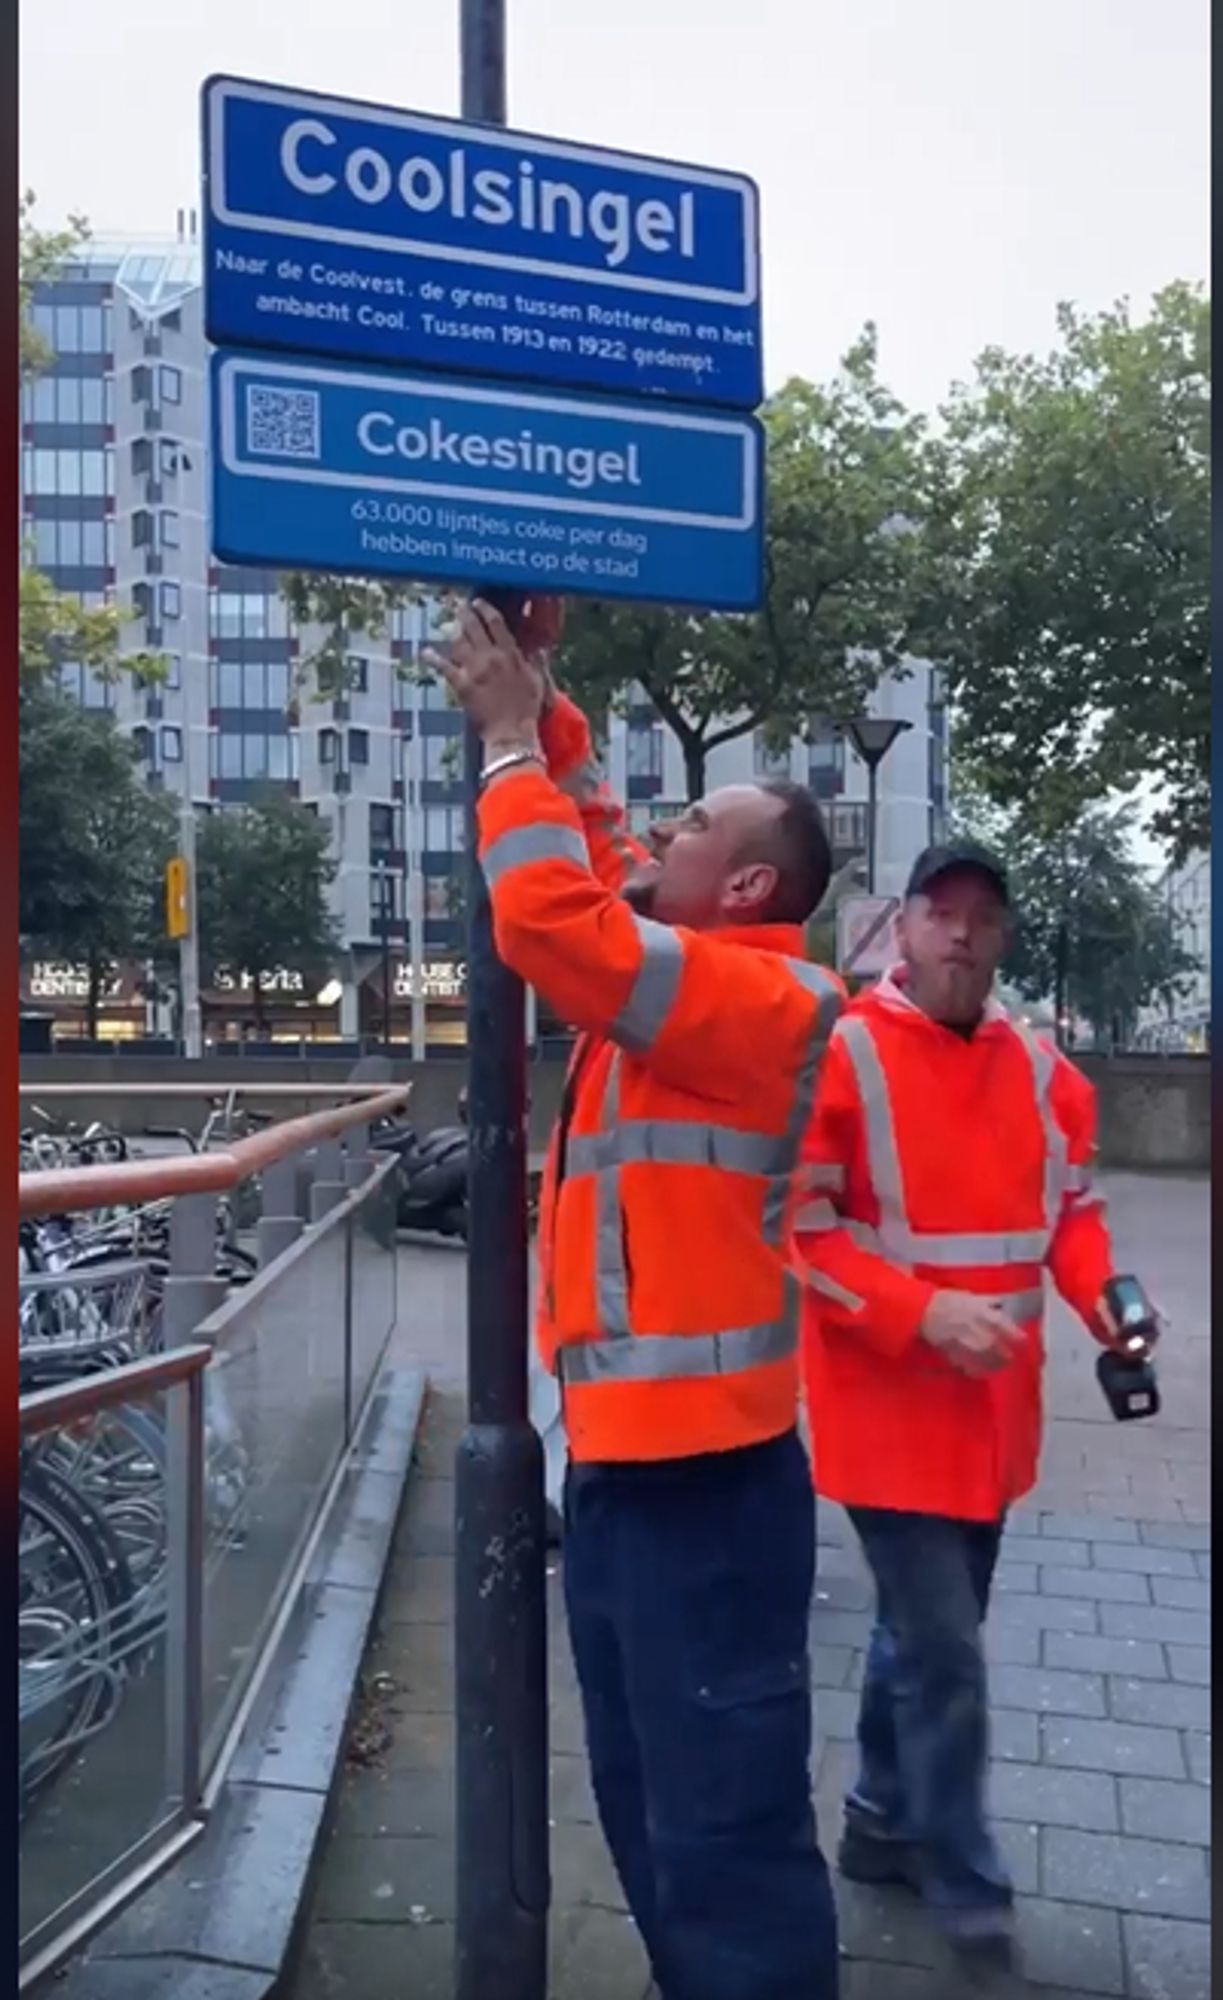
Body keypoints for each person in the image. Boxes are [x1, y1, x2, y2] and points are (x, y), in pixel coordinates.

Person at [433, 598, 844, 2000]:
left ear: (743, 889)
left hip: (708, 1492)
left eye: (693, 831)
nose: (658, 832)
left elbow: (555, 921)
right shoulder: (683, 973)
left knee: (723, 1841)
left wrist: (500, 749)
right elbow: (601, 848)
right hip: (626, 1474)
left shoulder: (766, 1005)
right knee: (648, 1813)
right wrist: (544, 702)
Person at [791, 841, 1142, 1965]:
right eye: (940, 913)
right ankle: (964, 1872)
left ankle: (878, 1819)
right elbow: (799, 1230)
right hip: (885, 1412)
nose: (960, 934)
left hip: (991, 1418)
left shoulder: (1041, 1073)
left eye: (981, 918)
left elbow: (1067, 1215)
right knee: (946, 1651)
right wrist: (916, 1313)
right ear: (900, 930)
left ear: (999, 940)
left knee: (922, 1633)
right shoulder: (839, 1055)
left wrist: (1109, 1306)